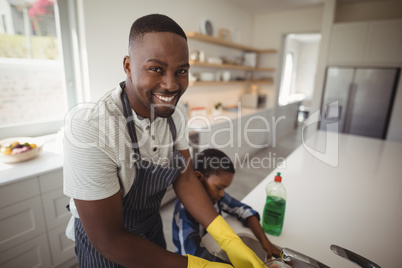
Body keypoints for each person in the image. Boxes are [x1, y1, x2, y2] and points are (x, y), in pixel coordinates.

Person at [63, 14, 266, 268]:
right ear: (128, 66)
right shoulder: (92, 128)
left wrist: (228, 239)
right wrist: (199, 266)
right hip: (106, 248)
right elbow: (110, 239)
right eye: (156, 69)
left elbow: (186, 175)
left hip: (150, 231)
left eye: (181, 71)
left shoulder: (174, 114)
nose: (171, 85)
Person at [173, 148, 281, 262]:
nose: (222, 193)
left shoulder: (216, 197)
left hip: (211, 246)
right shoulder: (183, 211)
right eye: (219, 187)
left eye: (224, 188)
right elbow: (193, 254)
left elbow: (244, 210)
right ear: (199, 178)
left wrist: (266, 243)